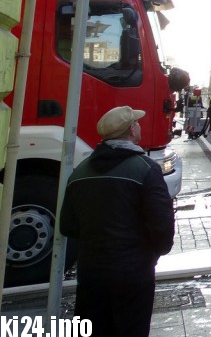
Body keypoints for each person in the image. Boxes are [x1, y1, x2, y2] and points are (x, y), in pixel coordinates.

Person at [60, 106, 175, 336]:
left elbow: (67, 226)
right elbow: (163, 228)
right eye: (137, 123)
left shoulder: (80, 172)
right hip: (133, 273)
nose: (139, 125)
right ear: (132, 130)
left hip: (91, 273)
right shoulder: (146, 169)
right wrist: (151, 254)